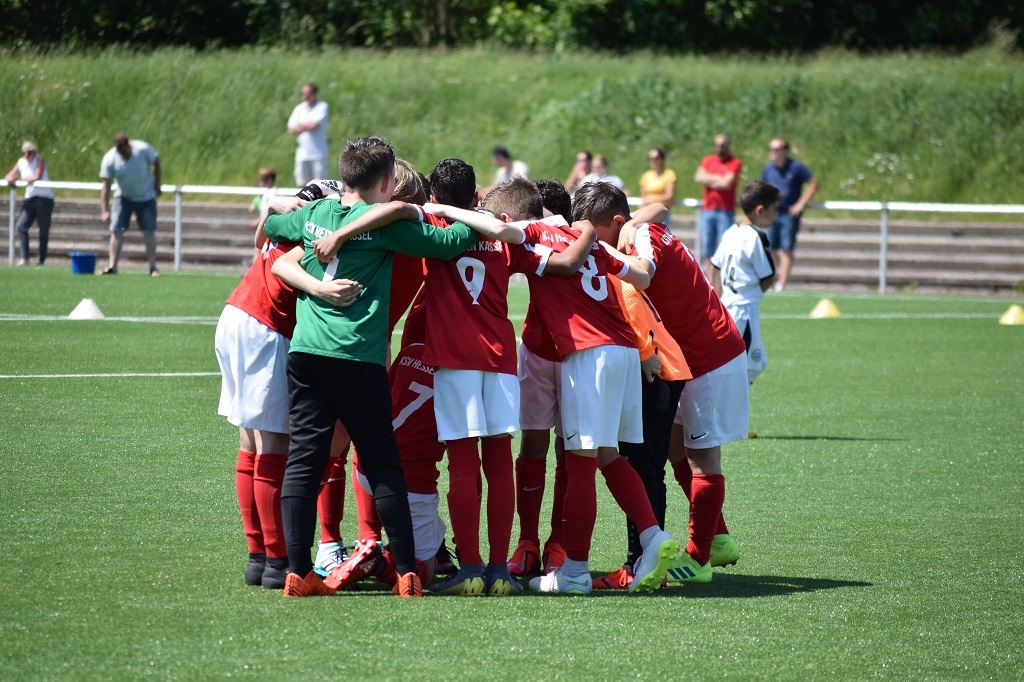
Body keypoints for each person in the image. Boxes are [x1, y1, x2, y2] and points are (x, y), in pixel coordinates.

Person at [428, 177, 679, 595]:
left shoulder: (534, 233)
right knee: (608, 454)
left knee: (579, 463)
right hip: (623, 349)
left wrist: (441, 210)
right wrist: (635, 232)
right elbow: (643, 275)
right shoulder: (584, 237)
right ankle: (652, 534)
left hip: (588, 352)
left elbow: (500, 230)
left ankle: (574, 572)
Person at [264, 135, 480, 599]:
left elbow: (276, 226)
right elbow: (448, 243)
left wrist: (293, 211)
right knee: (382, 462)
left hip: (307, 352)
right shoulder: (383, 226)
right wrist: (475, 218)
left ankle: (298, 572)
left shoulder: (316, 213)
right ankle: (405, 573)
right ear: (386, 182)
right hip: (357, 355)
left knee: (304, 461)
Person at [600, 181, 749, 585]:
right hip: (689, 357)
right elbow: (659, 209)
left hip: (710, 355)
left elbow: (645, 273)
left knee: (703, 459)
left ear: (614, 222)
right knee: (674, 448)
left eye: (596, 234)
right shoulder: (639, 227)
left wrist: (610, 250)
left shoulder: (639, 238)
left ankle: (699, 558)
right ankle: (718, 538)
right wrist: (629, 227)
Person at [711, 180, 780, 387]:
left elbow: (714, 266)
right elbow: (768, 277)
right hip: (744, 310)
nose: (776, 214)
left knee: (739, 363)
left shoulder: (731, 232)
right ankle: (731, 405)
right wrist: (754, 292)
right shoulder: (757, 237)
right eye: (774, 209)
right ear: (760, 210)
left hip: (727, 306)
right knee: (749, 366)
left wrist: (716, 299)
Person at [98, 133, 162, 276]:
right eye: (120, 152)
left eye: (125, 151)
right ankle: (112, 266)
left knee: (149, 231)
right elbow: (106, 186)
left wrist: (157, 184)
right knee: (117, 230)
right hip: (123, 198)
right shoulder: (110, 158)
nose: (123, 154)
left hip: (146, 197)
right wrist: (104, 210)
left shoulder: (142, 149)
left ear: (129, 145)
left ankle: (153, 267)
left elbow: (156, 162)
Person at [760, 137, 819, 291]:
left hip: (788, 214)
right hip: (772, 214)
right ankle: (771, 280)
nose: (773, 153)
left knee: (786, 248)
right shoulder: (768, 169)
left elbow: (813, 183)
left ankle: (782, 283)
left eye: (777, 149)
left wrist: (800, 204)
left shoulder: (796, 167)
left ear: (785, 151)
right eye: (771, 149)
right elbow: (762, 188)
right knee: (770, 248)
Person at [694, 134, 742, 282]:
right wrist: (719, 179)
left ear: (728, 146)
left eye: (723, 145)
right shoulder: (708, 160)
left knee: (724, 246)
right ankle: (709, 280)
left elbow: (727, 183)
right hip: (708, 209)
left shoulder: (734, 162)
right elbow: (698, 177)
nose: (720, 148)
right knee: (708, 247)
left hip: (725, 211)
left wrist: (709, 179)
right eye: (718, 145)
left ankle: (721, 280)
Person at [5, 141, 54, 267]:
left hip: (44, 199)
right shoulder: (21, 162)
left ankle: (41, 259)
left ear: (34, 152)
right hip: (30, 198)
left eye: (29, 153)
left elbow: (37, 176)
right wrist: (10, 178)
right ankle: (24, 257)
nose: (27, 156)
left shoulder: (39, 160)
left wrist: (20, 179)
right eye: (24, 153)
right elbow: (11, 174)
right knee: (21, 226)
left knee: (43, 230)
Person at [287, 83, 330, 187]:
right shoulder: (299, 109)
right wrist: (306, 125)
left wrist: (300, 126)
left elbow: (315, 125)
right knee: (302, 182)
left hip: (318, 153)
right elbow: (291, 129)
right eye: (304, 93)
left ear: (314, 94)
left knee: (321, 183)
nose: (305, 96)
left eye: (308, 93)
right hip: (302, 153)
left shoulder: (322, 106)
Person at [639, 147, 676, 220]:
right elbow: (643, 197)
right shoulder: (646, 176)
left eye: (656, 158)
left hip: (661, 211)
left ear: (662, 159)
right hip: (647, 210)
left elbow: (669, 196)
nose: (653, 161)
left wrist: (652, 198)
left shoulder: (669, 174)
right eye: (650, 158)